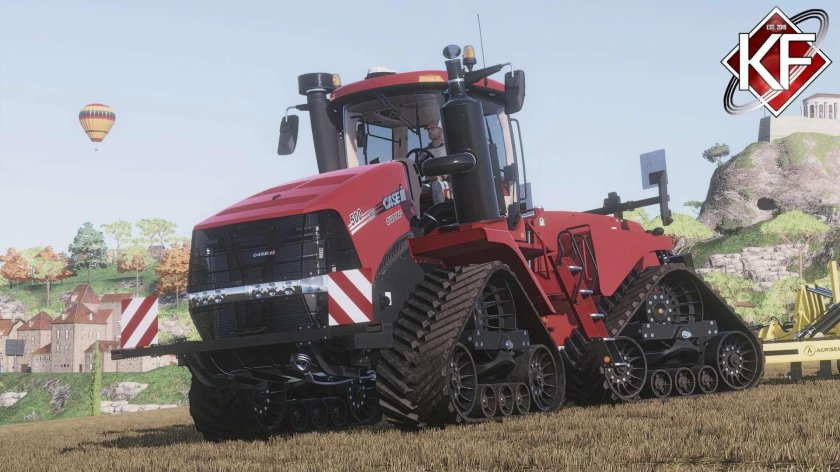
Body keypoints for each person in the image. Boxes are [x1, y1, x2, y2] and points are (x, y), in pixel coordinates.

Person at [424, 121, 448, 204]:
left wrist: (441, 177)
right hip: (429, 182)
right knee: (411, 189)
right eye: (428, 129)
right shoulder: (424, 152)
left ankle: (439, 210)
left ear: (441, 130)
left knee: (436, 185)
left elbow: (454, 167)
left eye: (433, 128)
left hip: (448, 182)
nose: (429, 131)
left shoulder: (448, 148)